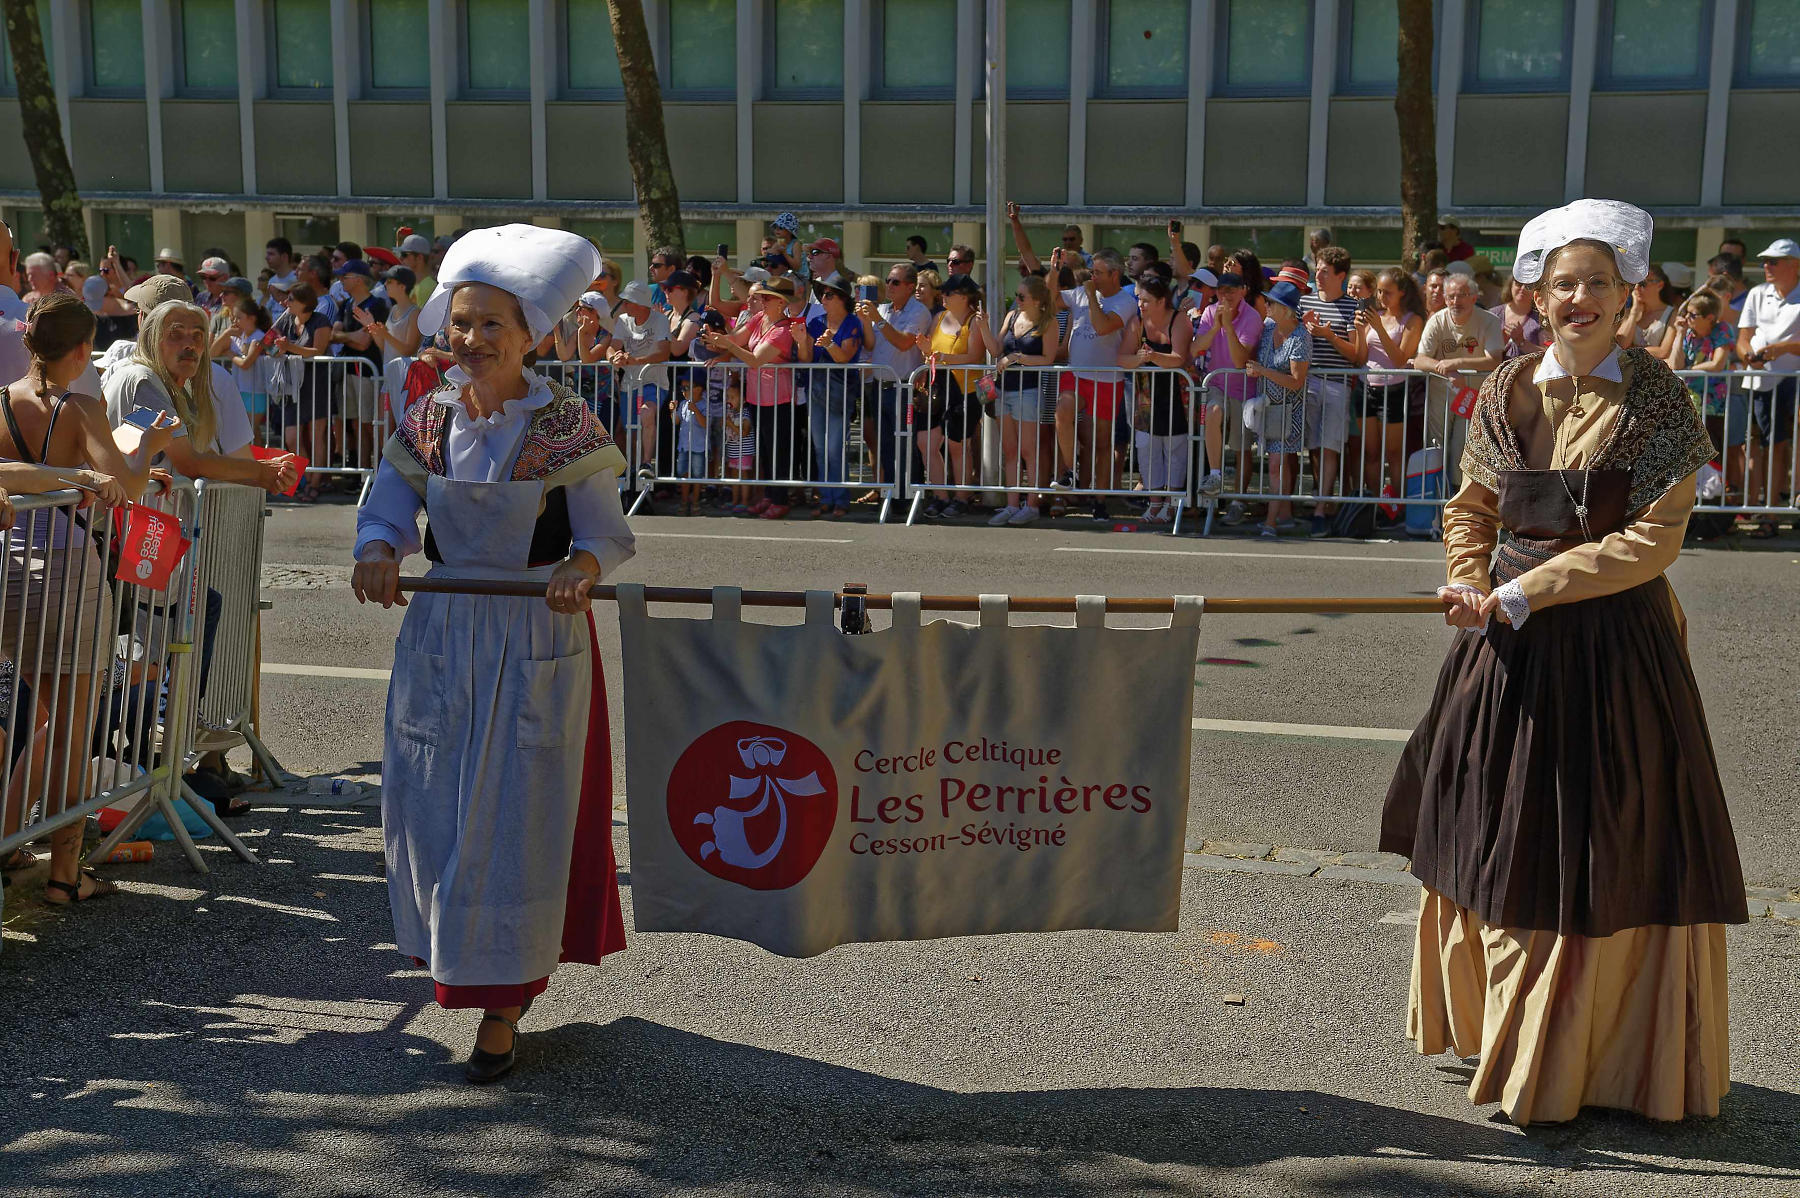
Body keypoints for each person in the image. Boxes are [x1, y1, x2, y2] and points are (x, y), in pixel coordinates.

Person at [1381, 198, 1745, 1127]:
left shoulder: (1661, 401)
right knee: (1491, 830)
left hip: (1615, 652)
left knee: (1593, 844)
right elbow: (1471, 508)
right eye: (1562, 284)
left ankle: (1586, 1056)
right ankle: (1500, 1028)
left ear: (1630, 296)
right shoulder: (1505, 389)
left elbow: (1650, 544)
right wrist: (1468, 581)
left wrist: (1524, 592)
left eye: (1597, 284)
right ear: (1536, 295)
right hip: (1503, 647)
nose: (1578, 298)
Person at [351, 225, 633, 1085]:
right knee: (439, 808)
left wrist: (579, 570)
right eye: (461, 323)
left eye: (489, 327)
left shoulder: (564, 425)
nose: (468, 341)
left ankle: (504, 1002)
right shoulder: (428, 413)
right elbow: (389, 501)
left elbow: (605, 537)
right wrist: (379, 546)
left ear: (532, 336)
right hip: (443, 632)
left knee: (518, 817)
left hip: (533, 634)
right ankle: (459, 963)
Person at [3, 294, 173, 904]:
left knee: (42, 717)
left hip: (11, 571)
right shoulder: (79, 407)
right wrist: (148, 448)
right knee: (73, 723)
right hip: (69, 571)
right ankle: (65, 873)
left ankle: (12, 838)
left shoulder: (1, 400)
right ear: (81, 351)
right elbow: (121, 487)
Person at [702, 275, 802, 518]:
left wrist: (729, 346)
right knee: (766, 451)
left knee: (778, 452)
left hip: (780, 399)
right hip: (757, 397)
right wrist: (717, 339)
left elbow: (754, 359)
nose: (761, 300)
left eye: (767, 298)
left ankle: (780, 499)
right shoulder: (760, 318)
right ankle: (769, 496)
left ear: (781, 302)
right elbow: (736, 340)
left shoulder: (785, 330)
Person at [1054, 249, 1137, 518]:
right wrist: (1053, 270)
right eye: (1092, 272)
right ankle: (1070, 470)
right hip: (1076, 374)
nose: (1093, 277)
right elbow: (1051, 297)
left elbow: (1102, 326)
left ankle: (1099, 501)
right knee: (1063, 411)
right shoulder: (1080, 291)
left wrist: (1091, 297)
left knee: (1102, 445)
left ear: (1115, 274)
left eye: (1098, 273)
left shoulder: (1126, 301)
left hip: (1106, 379)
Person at [1226, 281, 1310, 538]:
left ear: (1286, 309)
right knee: (1274, 466)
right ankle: (1280, 516)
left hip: (1287, 412)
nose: (1267, 305)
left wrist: (1263, 372)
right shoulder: (1267, 327)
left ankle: (1271, 523)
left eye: (1272, 302)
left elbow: (1297, 382)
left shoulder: (1301, 336)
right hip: (1265, 408)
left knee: (1276, 466)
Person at [1736, 237, 1800, 532]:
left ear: (1794, 265)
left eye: (1773, 261)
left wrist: (1784, 348)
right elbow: (1743, 339)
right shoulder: (1757, 293)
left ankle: (1773, 511)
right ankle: (1766, 510)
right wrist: (1748, 354)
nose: (1766, 266)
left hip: (1792, 380)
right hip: (1761, 380)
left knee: (1783, 445)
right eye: (1765, 261)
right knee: (1766, 445)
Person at [916, 274, 994, 518]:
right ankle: (940, 495)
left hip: (968, 390)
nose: (944, 296)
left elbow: (974, 357)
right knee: (925, 442)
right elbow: (929, 352)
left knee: (957, 445)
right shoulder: (938, 317)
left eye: (949, 293)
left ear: (963, 296)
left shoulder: (974, 321)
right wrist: (927, 352)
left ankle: (961, 496)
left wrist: (940, 357)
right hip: (939, 388)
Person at [1192, 270, 1265, 515]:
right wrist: (1214, 328)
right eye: (1223, 290)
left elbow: (1238, 361)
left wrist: (1228, 328)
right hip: (1216, 383)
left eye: (1232, 290)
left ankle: (1238, 500)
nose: (1227, 295)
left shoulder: (1252, 317)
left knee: (1241, 447)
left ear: (1242, 290)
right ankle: (1214, 475)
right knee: (1212, 412)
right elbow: (1195, 349)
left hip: (1243, 388)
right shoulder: (1211, 312)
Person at [1299, 247, 1361, 534]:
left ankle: (1323, 506)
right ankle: (1319, 499)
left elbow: (1356, 354)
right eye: (1317, 269)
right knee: (1314, 445)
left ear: (1341, 275)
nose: (1318, 275)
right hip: (1307, 380)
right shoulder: (1304, 302)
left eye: (1325, 271)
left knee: (1329, 445)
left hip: (1337, 383)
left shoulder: (1351, 307)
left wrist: (1328, 335)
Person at [857, 262, 930, 500]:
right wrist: (866, 322)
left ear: (910, 287)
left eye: (895, 282)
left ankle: (910, 496)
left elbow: (904, 342)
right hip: (880, 386)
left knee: (906, 446)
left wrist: (877, 319)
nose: (889, 286)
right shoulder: (885, 310)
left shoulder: (918, 312)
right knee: (886, 446)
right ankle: (892, 497)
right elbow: (870, 345)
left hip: (904, 388)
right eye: (888, 280)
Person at [991, 273, 1059, 526]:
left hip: (1028, 391)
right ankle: (1011, 504)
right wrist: (983, 326)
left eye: (1021, 296)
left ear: (1038, 300)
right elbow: (996, 350)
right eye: (1016, 295)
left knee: (1029, 450)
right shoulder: (1012, 317)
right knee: (1010, 451)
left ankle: (1031, 504)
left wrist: (1017, 358)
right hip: (1003, 390)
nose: (1017, 300)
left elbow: (1048, 358)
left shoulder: (1048, 322)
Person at [1123, 273, 1191, 525]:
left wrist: (1150, 357)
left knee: (1175, 449)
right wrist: (1142, 358)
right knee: (1147, 449)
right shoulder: (1136, 322)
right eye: (1139, 299)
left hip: (1176, 396)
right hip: (1146, 397)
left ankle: (1171, 505)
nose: (1141, 304)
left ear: (1162, 300)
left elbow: (1179, 358)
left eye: (1146, 300)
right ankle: (1154, 504)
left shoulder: (1179, 320)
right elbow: (1123, 358)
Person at [1353, 269, 1426, 502]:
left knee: (1394, 453)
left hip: (1394, 390)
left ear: (1402, 293)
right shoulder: (1376, 317)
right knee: (1371, 452)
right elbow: (1360, 357)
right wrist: (1359, 331)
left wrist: (1379, 328)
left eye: (1387, 293)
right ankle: (1375, 504)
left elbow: (1401, 359)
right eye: (1379, 292)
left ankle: (1398, 506)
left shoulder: (1412, 320)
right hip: (1366, 386)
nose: (1381, 297)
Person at [799, 276, 864, 519]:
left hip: (840, 392)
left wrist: (827, 344)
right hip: (816, 389)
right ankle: (827, 497)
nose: (823, 299)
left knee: (835, 447)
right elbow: (805, 359)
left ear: (842, 299)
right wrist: (801, 341)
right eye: (822, 294)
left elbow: (844, 357)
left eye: (829, 295)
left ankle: (840, 498)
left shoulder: (852, 323)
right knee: (820, 448)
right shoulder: (815, 322)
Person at [1668, 289, 1742, 501]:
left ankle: (1716, 503)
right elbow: (1675, 364)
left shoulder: (1722, 330)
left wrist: (1690, 371)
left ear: (1709, 318)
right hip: (1689, 405)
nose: (1687, 318)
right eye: (1687, 313)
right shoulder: (1688, 333)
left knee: (1715, 453)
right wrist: (1680, 333)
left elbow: (1718, 363)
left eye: (1693, 315)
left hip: (1715, 405)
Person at [269, 282, 334, 498]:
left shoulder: (320, 320)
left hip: (317, 384)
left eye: (291, 299)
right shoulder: (286, 319)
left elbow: (318, 350)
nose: (286, 303)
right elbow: (272, 344)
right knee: (292, 437)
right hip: (293, 386)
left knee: (317, 436)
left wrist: (289, 348)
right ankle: (303, 479)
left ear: (304, 303)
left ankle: (314, 484)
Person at [606, 280, 672, 488]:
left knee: (646, 414)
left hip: (654, 380)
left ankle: (646, 464)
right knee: (630, 428)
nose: (624, 305)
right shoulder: (623, 321)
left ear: (640, 303)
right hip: (630, 383)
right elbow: (612, 347)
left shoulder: (660, 320)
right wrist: (613, 358)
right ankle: (633, 473)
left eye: (628, 301)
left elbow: (664, 352)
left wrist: (637, 361)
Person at [330, 260, 390, 463]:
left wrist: (345, 336)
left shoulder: (377, 305)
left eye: (344, 277)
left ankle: (374, 471)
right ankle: (362, 471)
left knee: (368, 423)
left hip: (366, 372)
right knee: (354, 423)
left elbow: (364, 343)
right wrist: (350, 335)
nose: (340, 281)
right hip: (348, 370)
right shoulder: (346, 304)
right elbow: (333, 334)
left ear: (359, 279)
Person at [361, 266, 421, 362]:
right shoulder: (393, 309)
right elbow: (385, 347)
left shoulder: (415, 313)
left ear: (402, 287)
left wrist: (385, 335)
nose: (385, 284)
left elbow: (409, 350)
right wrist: (372, 328)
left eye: (389, 282)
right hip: (390, 371)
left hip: (406, 374)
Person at [1616, 263, 1678, 357]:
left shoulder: (1673, 314)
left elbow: (1664, 352)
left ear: (1660, 285)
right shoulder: (1629, 312)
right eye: (1634, 284)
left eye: (1642, 284)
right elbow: (1620, 345)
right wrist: (1634, 314)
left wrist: (1630, 349)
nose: (1636, 288)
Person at [1492, 277, 1546, 360]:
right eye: (1518, 284)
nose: (1523, 288)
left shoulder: (1542, 318)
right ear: (1510, 286)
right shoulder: (1493, 314)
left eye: (1529, 286)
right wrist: (1500, 344)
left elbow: (1548, 355)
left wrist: (1521, 342)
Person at [397, 234, 436, 306]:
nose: (400, 258)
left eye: (404, 254)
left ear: (419, 258)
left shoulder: (427, 287)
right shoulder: (417, 285)